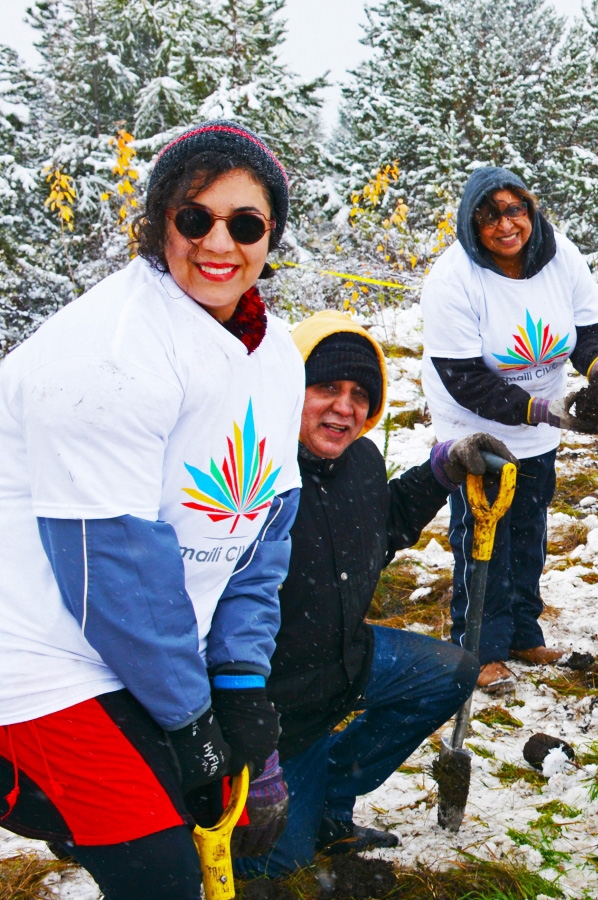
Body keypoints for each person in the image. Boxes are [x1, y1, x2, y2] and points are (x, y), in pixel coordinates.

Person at [0, 120, 303, 899]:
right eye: (194, 217)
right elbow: (111, 573)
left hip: (147, 648)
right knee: (163, 868)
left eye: (246, 223)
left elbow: (264, 532)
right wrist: (193, 722)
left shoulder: (275, 355)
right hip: (41, 651)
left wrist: (238, 681)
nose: (219, 243)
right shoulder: (109, 352)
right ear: (160, 219)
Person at [234, 311, 510, 876]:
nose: (345, 407)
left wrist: (442, 468)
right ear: (290, 387)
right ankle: (289, 799)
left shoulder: (358, 460)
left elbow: (383, 524)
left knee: (451, 670)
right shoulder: (251, 477)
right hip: (276, 714)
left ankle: (331, 801)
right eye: (327, 387)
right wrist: (253, 749)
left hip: (347, 662)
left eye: (360, 394)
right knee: (277, 867)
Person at [420, 167, 598, 693]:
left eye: (515, 209)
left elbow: (588, 329)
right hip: (476, 428)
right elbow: (463, 376)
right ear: (472, 224)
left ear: (531, 211)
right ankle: (479, 649)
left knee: (529, 529)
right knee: (485, 535)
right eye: (489, 215)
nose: (505, 224)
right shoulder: (454, 278)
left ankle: (520, 632)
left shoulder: (560, 257)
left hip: (541, 422)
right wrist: (541, 410)